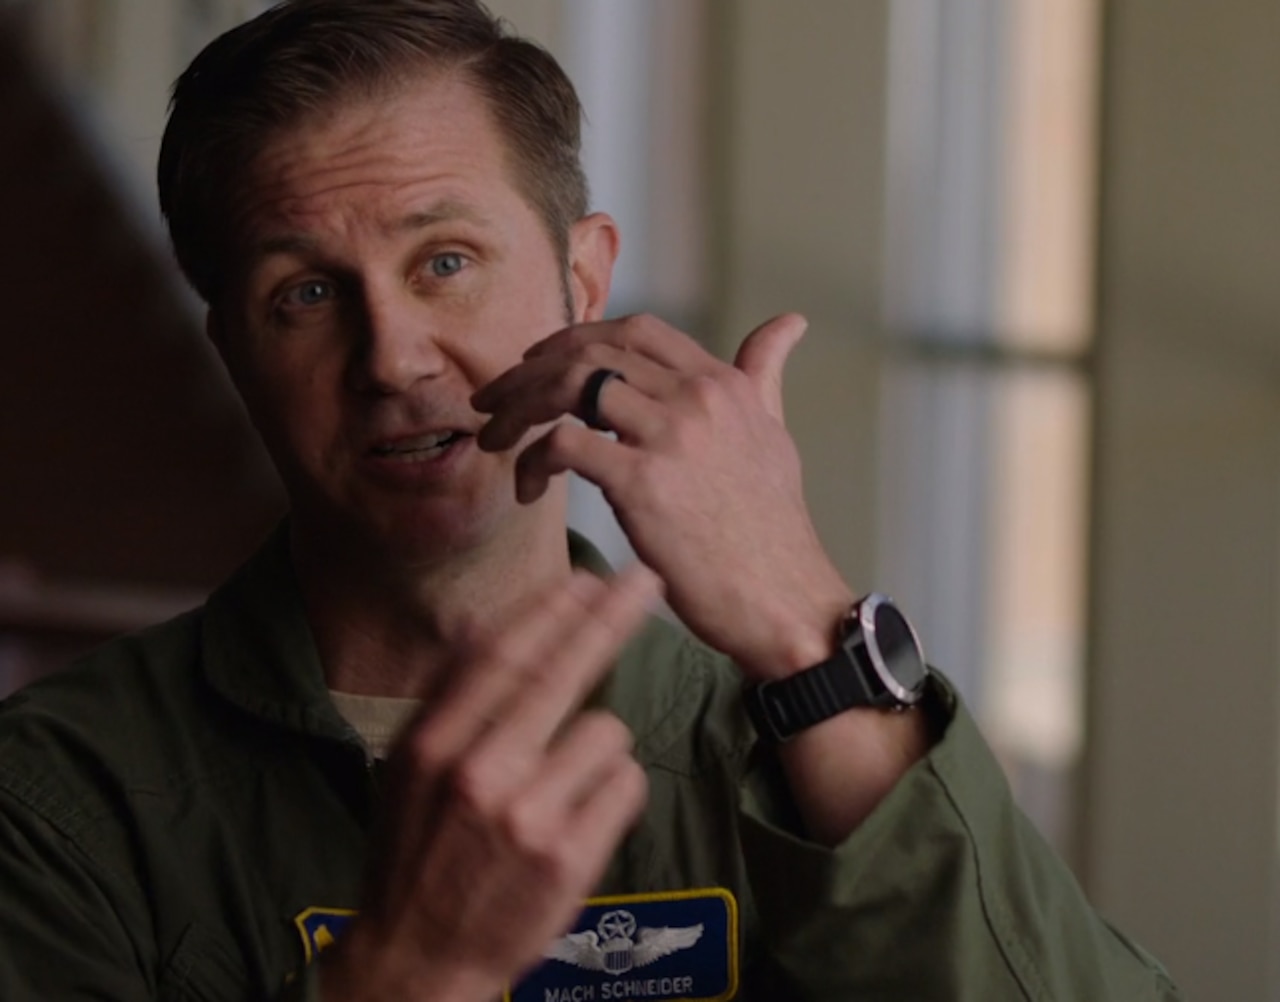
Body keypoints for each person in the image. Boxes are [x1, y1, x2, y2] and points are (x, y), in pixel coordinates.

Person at [0, 2, 1180, 1000]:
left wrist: (805, 628)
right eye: (304, 294)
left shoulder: (777, 747)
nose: (394, 360)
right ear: (232, 353)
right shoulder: (59, 802)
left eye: (445, 263)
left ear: (581, 281)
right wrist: (416, 971)